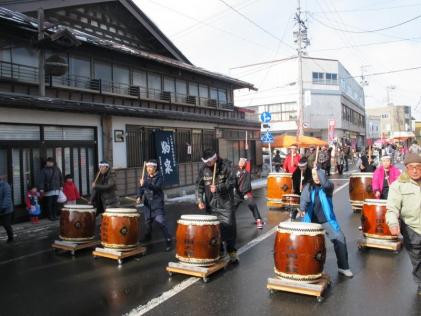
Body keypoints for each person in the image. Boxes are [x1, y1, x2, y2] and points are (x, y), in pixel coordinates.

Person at [298, 167, 353, 278]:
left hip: (326, 220)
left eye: (318, 175)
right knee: (306, 244)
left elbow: (324, 182)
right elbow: (303, 200)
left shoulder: (328, 187)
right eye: (314, 175)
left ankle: (343, 267)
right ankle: (306, 268)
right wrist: (302, 208)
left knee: (340, 238)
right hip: (310, 221)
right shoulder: (308, 187)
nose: (316, 177)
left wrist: (318, 170)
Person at [386, 153, 421, 295]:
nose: (414, 170)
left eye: (418, 167)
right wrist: (393, 223)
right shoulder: (398, 186)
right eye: (411, 167)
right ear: (406, 168)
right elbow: (392, 208)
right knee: (417, 259)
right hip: (412, 229)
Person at [196, 148, 238, 263]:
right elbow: (199, 186)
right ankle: (218, 251)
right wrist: (199, 200)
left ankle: (232, 252)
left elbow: (233, 182)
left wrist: (219, 187)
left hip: (225, 204)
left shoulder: (226, 166)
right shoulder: (204, 169)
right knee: (214, 230)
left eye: (209, 162)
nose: (207, 164)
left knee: (229, 229)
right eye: (206, 162)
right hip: (211, 205)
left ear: (215, 158)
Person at [137, 160, 172, 251]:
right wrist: (139, 196)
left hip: (157, 203)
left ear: (155, 168)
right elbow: (141, 188)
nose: (148, 169)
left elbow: (156, 187)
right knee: (147, 222)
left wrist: (145, 183)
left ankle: (168, 239)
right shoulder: (145, 177)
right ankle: (148, 236)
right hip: (147, 204)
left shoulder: (160, 177)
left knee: (161, 222)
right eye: (147, 167)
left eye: (150, 167)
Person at [234, 157, 263, 229]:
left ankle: (258, 220)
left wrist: (247, 148)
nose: (241, 162)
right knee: (232, 207)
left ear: (245, 163)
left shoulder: (247, 170)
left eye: (243, 161)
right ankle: (229, 221)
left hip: (247, 192)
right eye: (240, 161)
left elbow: (249, 161)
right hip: (238, 193)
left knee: (252, 205)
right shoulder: (235, 171)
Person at [0, 174, 14, 243]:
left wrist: (3, 208)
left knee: (6, 224)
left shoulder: (5, 186)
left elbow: (7, 198)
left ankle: (10, 237)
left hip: (6, 209)